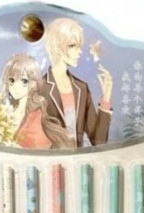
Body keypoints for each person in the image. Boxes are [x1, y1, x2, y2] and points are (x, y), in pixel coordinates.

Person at [42, 17, 113, 147]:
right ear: (57, 47)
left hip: (78, 158)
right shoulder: (40, 87)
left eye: (79, 46)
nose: (79, 52)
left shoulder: (81, 88)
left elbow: (99, 142)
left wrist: (106, 99)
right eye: (72, 46)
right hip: (51, 158)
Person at [0, 53, 73, 149]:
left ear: (33, 83)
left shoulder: (36, 115)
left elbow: (37, 144)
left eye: (24, 81)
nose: (16, 86)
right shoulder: (5, 112)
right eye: (12, 80)